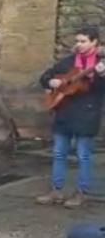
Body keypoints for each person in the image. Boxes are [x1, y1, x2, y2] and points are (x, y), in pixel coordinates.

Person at [36, 27, 105, 208]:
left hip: (87, 114)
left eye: (83, 41)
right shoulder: (68, 62)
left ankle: (81, 192)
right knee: (58, 153)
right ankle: (56, 190)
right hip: (64, 112)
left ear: (94, 42)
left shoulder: (99, 64)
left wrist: (101, 75)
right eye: (77, 41)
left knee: (83, 155)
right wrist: (51, 81)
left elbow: (101, 90)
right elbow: (45, 76)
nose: (79, 45)